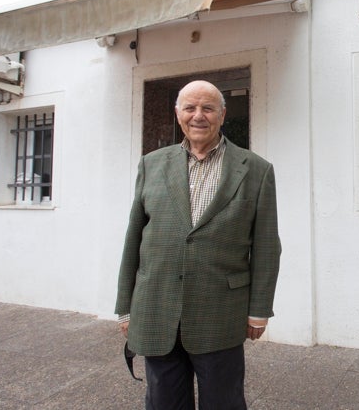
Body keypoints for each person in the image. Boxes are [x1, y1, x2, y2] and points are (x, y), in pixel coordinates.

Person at [115, 80, 281, 410]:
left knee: (224, 401)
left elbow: (265, 246)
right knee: (163, 401)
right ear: (178, 114)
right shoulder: (151, 164)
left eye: (207, 108)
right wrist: (125, 305)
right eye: (190, 108)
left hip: (220, 312)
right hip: (157, 308)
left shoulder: (256, 170)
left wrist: (259, 310)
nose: (198, 116)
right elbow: (133, 237)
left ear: (222, 114)